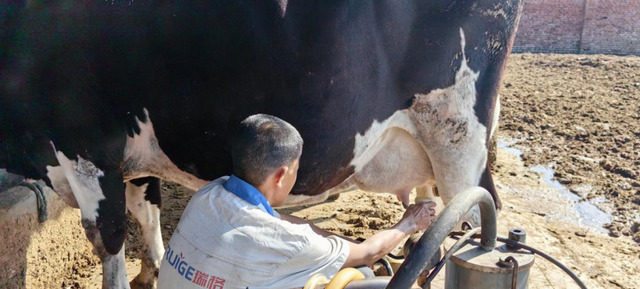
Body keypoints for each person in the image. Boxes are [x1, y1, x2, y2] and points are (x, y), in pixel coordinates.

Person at [157, 114, 437, 289]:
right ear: (281, 175)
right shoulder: (288, 244)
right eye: (295, 169)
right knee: (360, 274)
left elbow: (283, 222)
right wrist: (410, 222)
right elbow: (367, 253)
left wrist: (333, 243)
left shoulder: (208, 195)